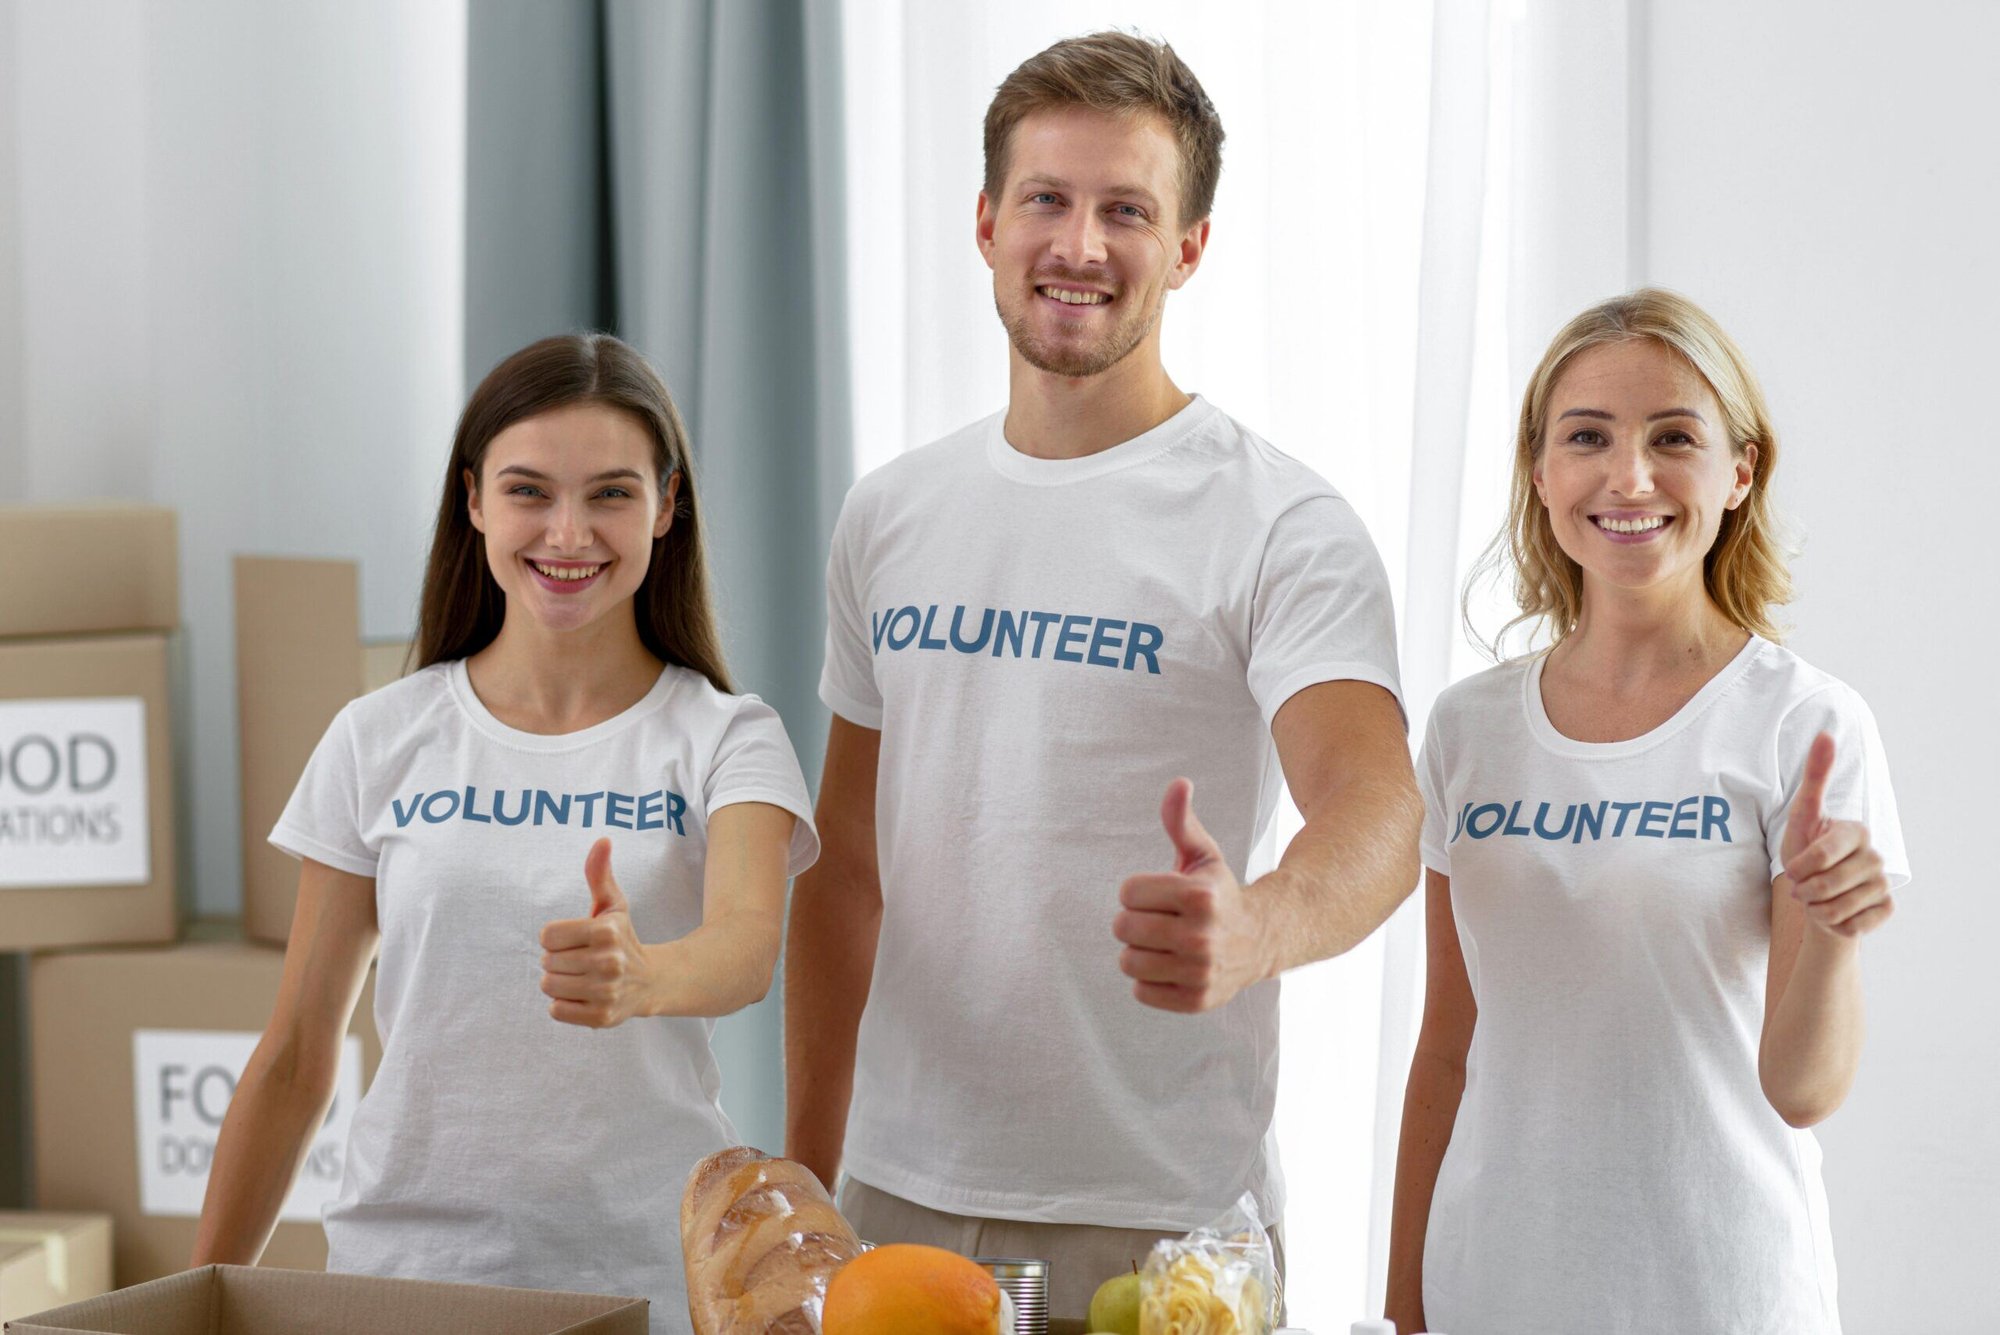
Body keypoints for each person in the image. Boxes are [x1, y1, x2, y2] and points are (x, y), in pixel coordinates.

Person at [784, 31, 1422, 1320]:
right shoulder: (890, 515)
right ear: (983, 222)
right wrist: (810, 1167)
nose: (1078, 245)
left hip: (1159, 1221)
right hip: (898, 1197)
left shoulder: (1278, 522)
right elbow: (845, 861)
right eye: (1046, 200)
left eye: (1125, 209)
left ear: (1188, 246)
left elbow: (1378, 812)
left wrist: (1259, 928)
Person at [191, 333, 819, 1333]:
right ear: (474, 500)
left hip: (638, 1283)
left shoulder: (723, 737)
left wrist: (643, 976)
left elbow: (746, 948)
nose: (567, 532)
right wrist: (194, 1303)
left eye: (610, 494)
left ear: (666, 507)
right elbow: (295, 1054)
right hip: (399, 1279)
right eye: (530, 491)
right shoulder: (382, 736)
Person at [1386, 289, 1909, 1333]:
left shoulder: (1801, 724)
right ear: (1540, 473)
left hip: (1721, 1292)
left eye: (1673, 437)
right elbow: (1447, 1044)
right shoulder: (1465, 729)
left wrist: (1837, 941)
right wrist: (1403, 1304)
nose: (1628, 478)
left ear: (1738, 472)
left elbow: (1801, 1090)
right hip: (1493, 1285)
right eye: (1587, 438)